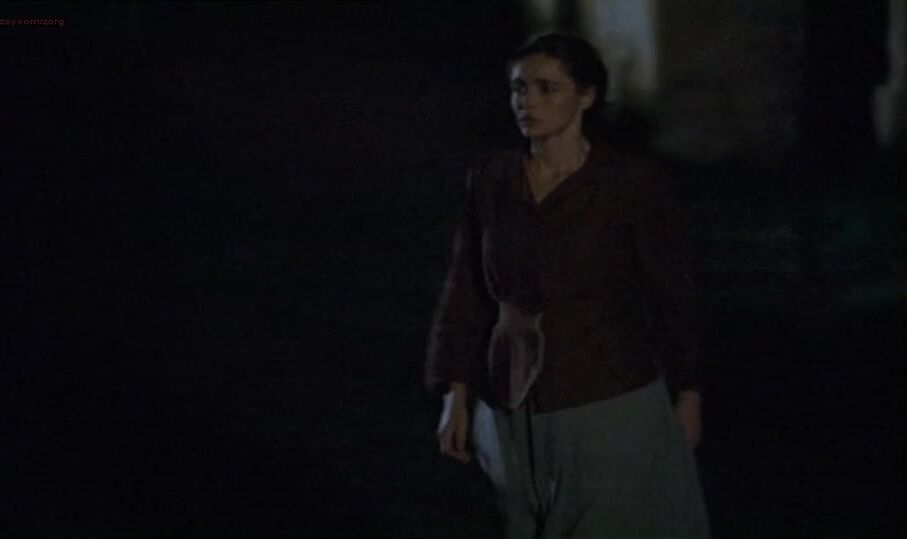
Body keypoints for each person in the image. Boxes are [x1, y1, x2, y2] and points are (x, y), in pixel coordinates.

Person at [424, 33, 710, 538]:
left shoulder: (625, 183)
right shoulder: (494, 179)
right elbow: (466, 287)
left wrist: (689, 390)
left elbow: (670, 290)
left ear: (586, 96)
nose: (527, 102)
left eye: (547, 88)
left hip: (605, 393)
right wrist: (456, 392)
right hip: (509, 399)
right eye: (519, 89)